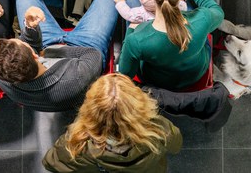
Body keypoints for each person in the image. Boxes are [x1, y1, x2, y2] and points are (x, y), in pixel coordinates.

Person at [0, 0, 122, 112]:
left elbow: (33, 47)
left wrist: (30, 28)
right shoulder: (75, 78)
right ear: (35, 56)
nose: (22, 38)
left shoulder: (2, 74)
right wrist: (56, 49)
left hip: (45, 47)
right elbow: (94, 55)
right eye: (23, 41)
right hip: (84, 50)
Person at [42, 73, 182, 172]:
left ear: (90, 109)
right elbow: (176, 145)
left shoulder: (77, 145)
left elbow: (50, 162)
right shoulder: (159, 129)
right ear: (139, 104)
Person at [119, 0, 224, 91]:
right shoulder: (203, 19)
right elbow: (217, 10)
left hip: (156, 82)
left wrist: (130, 29)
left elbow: (125, 75)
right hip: (195, 76)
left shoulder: (136, 39)